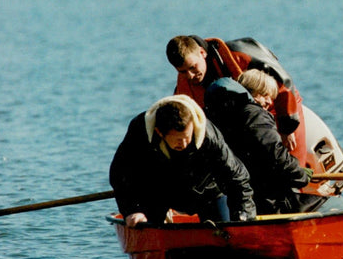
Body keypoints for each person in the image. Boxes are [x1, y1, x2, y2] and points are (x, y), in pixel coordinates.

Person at [109, 94, 257, 227]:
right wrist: (131, 210)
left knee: (228, 228)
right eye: (178, 140)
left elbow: (238, 177)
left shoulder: (209, 136)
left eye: (188, 137)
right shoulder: (139, 131)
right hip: (156, 192)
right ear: (159, 132)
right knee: (144, 224)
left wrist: (244, 215)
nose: (185, 144)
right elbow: (120, 174)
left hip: (208, 191)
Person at [165, 34, 307, 166]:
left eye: (193, 67)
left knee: (291, 165)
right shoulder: (183, 88)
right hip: (244, 124)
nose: (190, 75)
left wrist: (287, 128)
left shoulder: (240, 53)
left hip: (281, 108)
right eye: (182, 71)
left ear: (202, 53)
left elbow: (284, 83)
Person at [204, 72, 322, 215]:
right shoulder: (255, 115)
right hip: (268, 199)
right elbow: (276, 154)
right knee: (331, 204)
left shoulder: (221, 115)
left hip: (240, 195)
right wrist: (300, 174)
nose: (269, 102)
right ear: (254, 91)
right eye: (266, 95)